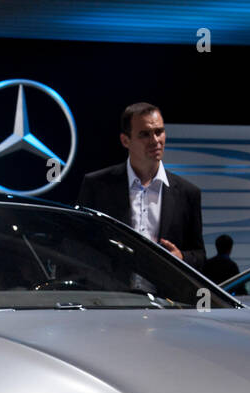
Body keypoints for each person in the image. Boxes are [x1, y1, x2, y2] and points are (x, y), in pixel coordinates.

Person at [76, 103, 205, 269]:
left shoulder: (188, 193)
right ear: (125, 140)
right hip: (109, 292)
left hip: (165, 293)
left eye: (159, 132)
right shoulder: (97, 185)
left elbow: (199, 255)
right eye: (145, 134)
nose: (155, 140)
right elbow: (77, 243)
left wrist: (181, 257)